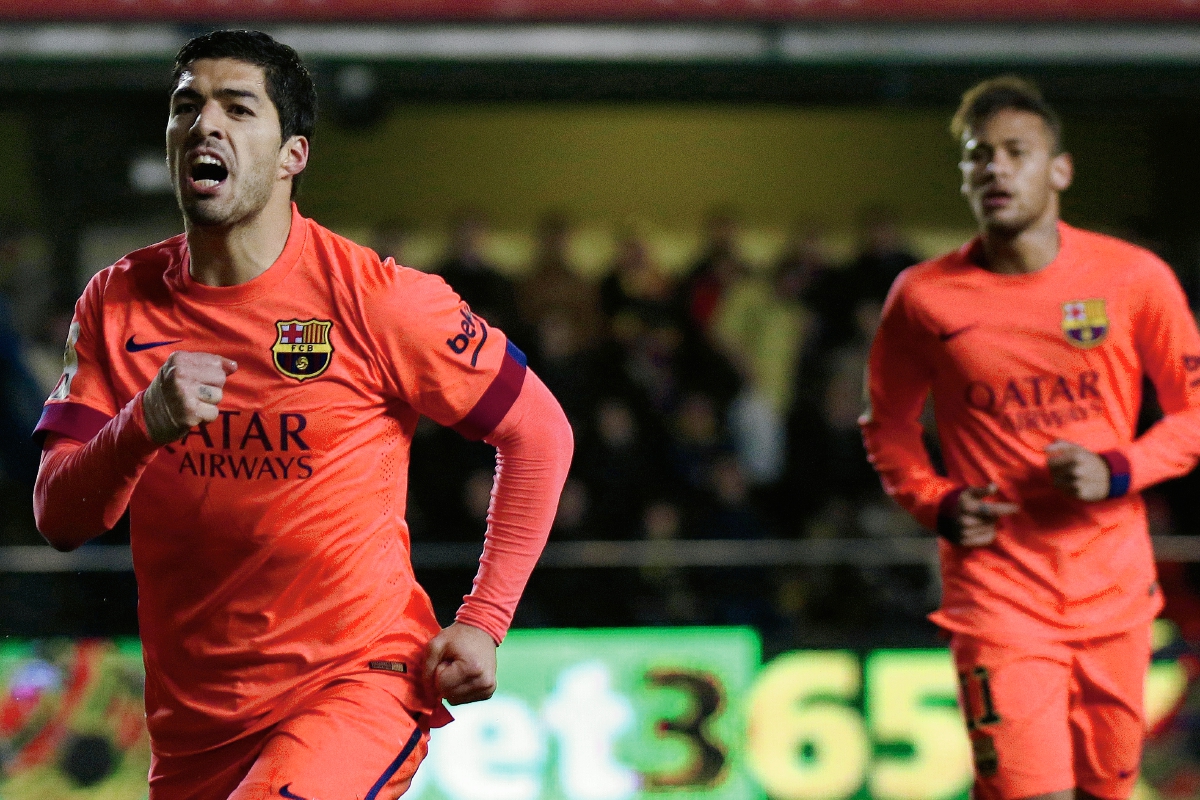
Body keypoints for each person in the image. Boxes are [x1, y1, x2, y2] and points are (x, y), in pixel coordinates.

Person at [31, 30, 572, 800]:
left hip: (356, 685)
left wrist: (484, 618)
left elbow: (540, 430)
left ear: (294, 155)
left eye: (236, 108)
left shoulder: (378, 301)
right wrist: (140, 424)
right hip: (194, 729)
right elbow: (59, 515)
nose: (204, 125)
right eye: (187, 107)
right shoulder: (116, 302)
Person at [860, 76, 1200, 800]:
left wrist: (1117, 469)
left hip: (1113, 590)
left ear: (1060, 170)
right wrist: (938, 504)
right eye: (980, 156)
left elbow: (1193, 415)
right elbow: (887, 429)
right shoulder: (923, 297)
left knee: (1106, 789)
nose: (996, 169)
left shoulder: (1133, 279)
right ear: (964, 177)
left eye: (1017, 152)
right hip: (997, 594)